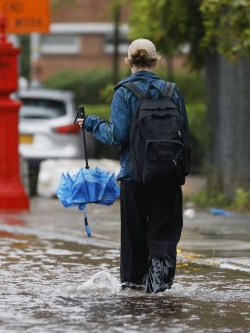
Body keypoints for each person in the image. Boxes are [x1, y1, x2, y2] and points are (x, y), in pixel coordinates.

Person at [77, 38, 189, 293]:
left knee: (133, 241)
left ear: (128, 62)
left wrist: (92, 124)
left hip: (134, 177)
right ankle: (159, 289)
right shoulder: (173, 91)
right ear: (155, 61)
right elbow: (185, 133)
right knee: (163, 237)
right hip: (168, 177)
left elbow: (118, 135)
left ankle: (133, 295)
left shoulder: (124, 92)